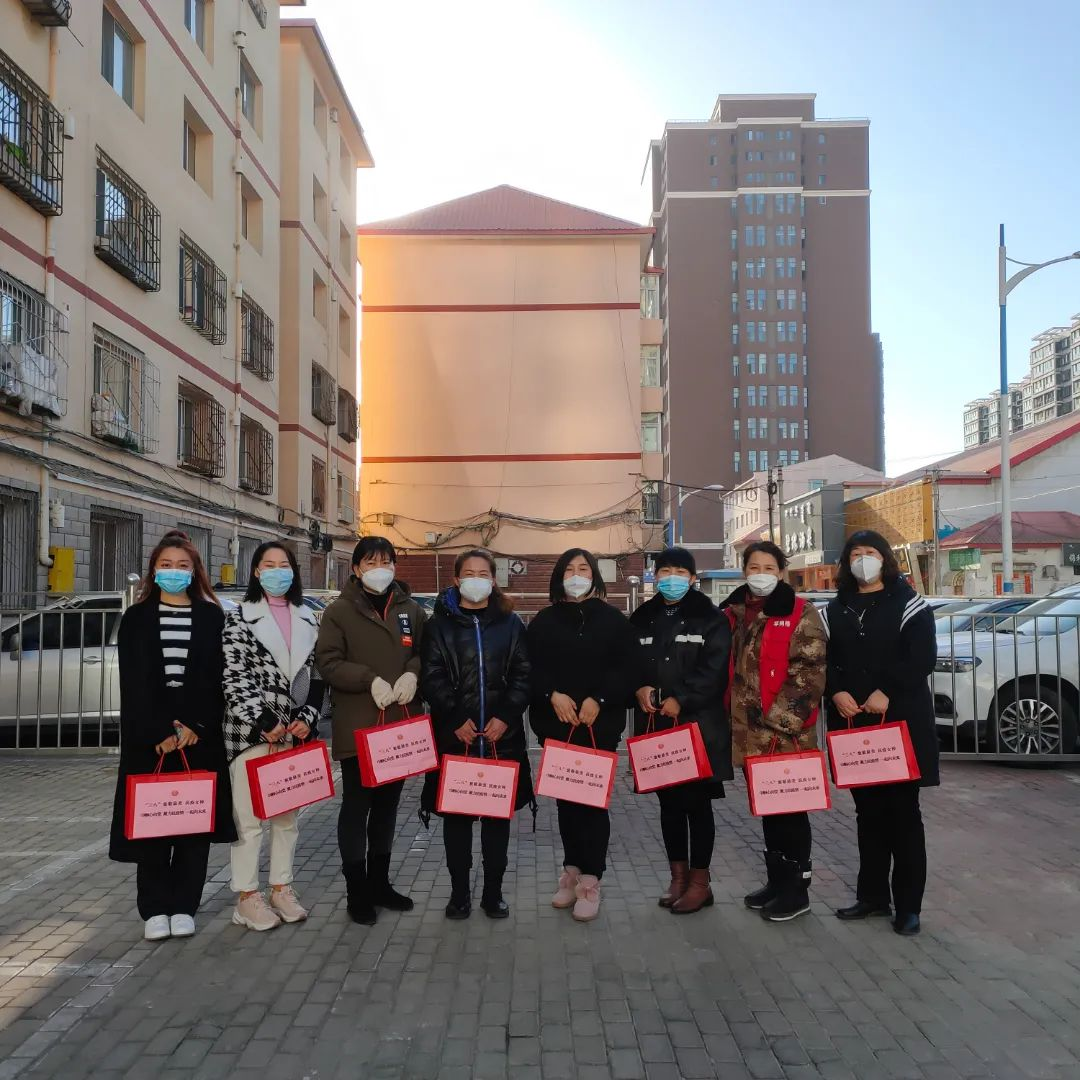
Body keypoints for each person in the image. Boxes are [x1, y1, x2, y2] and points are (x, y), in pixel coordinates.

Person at [108, 530, 236, 941]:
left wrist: (196, 726)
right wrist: (159, 731)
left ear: (195, 571)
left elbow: (216, 679)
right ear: (154, 570)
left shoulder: (212, 617)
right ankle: (154, 909)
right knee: (154, 823)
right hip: (151, 738)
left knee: (193, 825)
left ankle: (184, 906)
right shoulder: (137, 618)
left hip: (199, 737)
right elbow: (134, 682)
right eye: (166, 565)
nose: (174, 572)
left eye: (183, 566)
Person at [823, 530, 938, 936]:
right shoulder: (835, 609)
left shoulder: (909, 603)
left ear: (885, 558)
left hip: (899, 723)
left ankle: (908, 907)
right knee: (868, 814)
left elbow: (921, 657)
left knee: (904, 816)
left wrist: (886, 690)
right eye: (855, 553)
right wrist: (835, 691)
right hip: (854, 724)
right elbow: (823, 660)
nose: (863, 559)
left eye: (870, 552)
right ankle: (872, 896)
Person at [315, 537, 428, 925]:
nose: (380, 569)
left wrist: (413, 673)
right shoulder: (339, 612)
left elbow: (423, 652)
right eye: (371, 562)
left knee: (387, 808)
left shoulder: (410, 609)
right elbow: (328, 662)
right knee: (356, 807)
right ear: (356, 568)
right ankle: (356, 891)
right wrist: (369, 679)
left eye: (386, 561)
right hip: (359, 725)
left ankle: (380, 883)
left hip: (399, 725)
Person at [420, 549, 533, 920]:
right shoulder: (439, 626)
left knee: (497, 822)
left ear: (493, 579)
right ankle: (459, 894)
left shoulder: (510, 623)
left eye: (483, 573)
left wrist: (506, 716)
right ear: (456, 580)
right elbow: (431, 676)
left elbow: (523, 675)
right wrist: (454, 718)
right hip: (457, 740)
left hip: (502, 741)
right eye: (468, 573)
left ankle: (493, 894)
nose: (476, 579)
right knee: (457, 821)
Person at [527, 548, 637, 922]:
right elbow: (530, 668)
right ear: (559, 577)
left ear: (595, 576)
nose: (577, 575)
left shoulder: (613, 620)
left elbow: (626, 669)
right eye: (569, 569)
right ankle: (571, 871)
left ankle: (591, 880)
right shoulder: (544, 621)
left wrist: (600, 699)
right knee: (566, 804)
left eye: (584, 569)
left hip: (597, 728)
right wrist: (551, 695)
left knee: (592, 805)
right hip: (557, 725)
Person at [720, 541, 828, 922]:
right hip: (749, 733)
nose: (761, 574)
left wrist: (780, 722)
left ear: (781, 572)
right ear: (744, 571)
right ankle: (777, 881)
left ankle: (797, 890)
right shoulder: (733, 612)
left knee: (791, 811)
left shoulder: (801, 612)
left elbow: (810, 672)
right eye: (754, 567)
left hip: (785, 733)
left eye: (769, 567)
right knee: (769, 808)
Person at [221, 542, 326, 932]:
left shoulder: (308, 617)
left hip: (293, 735)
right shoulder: (239, 617)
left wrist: (308, 717)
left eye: (285, 565)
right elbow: (233, 675)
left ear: (294, 572)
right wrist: (265, 720)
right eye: (269, 564)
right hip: (251, 733)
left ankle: (282, 888)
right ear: (256, 572)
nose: (277, 571)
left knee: (286, 818)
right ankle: (247, 897)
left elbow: (316, 676)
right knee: (248, 820)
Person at [630, 547, 732, 915]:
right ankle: (678, 877)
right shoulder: (643, 617)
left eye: (679, 571)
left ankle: (700, 883)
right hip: (657, 726)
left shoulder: (711, 618)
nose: (671, 578)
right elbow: (629, 663)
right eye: (664, 571)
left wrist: (681, 698)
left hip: (698, 727)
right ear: (655, 576)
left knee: (697, 806)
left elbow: (715, 670)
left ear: (692, 577)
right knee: (669, 805)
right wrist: (639, 687)